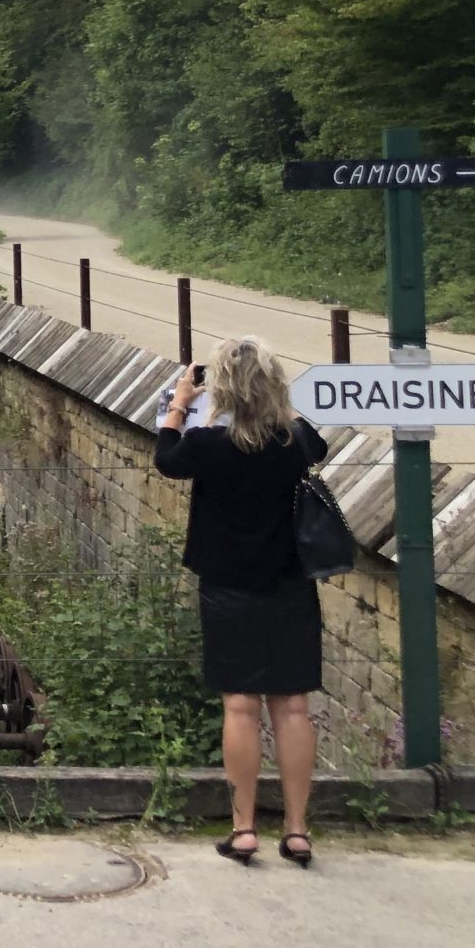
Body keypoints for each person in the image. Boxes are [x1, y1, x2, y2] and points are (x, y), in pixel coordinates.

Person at [156, 336, 329, 869]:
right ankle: (298, 831)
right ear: (274, 386)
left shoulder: (207, 444)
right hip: (289, 584)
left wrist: (180, 404)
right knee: (293, 706)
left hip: (228, 586)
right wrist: (272, 401)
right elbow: (314, 442)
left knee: (241, 705)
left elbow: (167, 459)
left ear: (224, 390)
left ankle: (245, 828)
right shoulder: (296, 440)